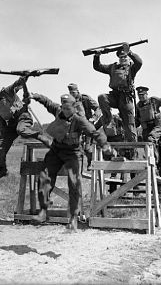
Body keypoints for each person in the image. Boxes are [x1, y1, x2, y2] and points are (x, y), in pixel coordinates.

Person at [29, 92, 114, 229]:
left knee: (74, 182)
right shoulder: (58, 111)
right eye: (63, 107)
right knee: (44, 176)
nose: (65, 111)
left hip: (73, 153)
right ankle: (43, 211)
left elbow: (94, 132)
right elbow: (47, 102)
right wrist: (35, 96)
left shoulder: (79, 120)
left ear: (74, 108)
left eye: (68, 108)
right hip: (56, 150)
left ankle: (73, 218)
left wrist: (104, 145)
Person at [0, 77, 51, 179]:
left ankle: (43, 138)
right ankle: (3, 170)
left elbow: (17, 85)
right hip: (12, 125)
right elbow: (2, 123)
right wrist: (5, 137)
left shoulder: (6, 92)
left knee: (21, 130)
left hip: (23, 116)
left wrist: (24, 78)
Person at [93, 43, 142, 148]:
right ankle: (108, 120)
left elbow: (140, 62)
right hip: (115, 96)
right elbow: (97, 66)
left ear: (128, 57)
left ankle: (133, 150)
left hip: (126, 99)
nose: (123, 58)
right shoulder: (112, 67)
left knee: (130, 127)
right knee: (102, 97)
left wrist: (130, 52)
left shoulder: (132, 68)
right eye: (121, 57)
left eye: (125, 56)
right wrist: (97, 56)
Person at [68, 83, 102, 171]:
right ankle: (76, 169)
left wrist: (93, 118)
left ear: (77, 91)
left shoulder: (85, 98)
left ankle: (90, 162)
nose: (72, 95)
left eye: (73, 93)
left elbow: (98, 108)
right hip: (76, 127)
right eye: (70, 93)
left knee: (87, 148)